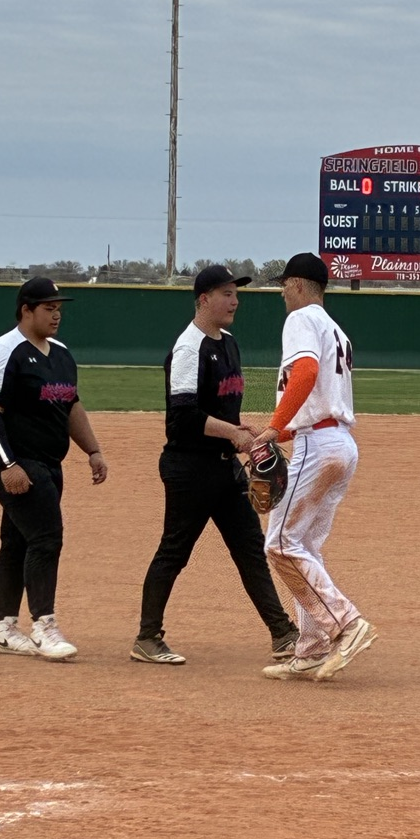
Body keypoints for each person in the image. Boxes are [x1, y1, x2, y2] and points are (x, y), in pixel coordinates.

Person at [131, 264, 298, 665]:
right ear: (203, 299)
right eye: (226, 293)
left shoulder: (228, 343)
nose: (235, 300)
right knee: (175, 550)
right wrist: (233, 434)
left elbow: (217, 406)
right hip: (189, 468)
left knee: (249, 549)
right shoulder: (189, 348)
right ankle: (147, 637)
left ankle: (283, 633)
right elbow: (183, 415)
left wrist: (240, 428)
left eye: (235, 293)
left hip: (223, 468)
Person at [252, 252, 377, 682]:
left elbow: (305, 372)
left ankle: (345, 624)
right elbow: (322, 403)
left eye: (284, 284)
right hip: (339, 442)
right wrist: (279, 433)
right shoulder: (335, 329)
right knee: (306, 546)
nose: (282, 292)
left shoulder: (301, 319)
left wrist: (274, 426)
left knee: (280, 544)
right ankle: (310, 648)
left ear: (301, 286)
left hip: (319, 445)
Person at [0, 277, 108, 661]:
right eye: (48, 308)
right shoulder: (3, 352)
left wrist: (93, 450)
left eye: (59, 309)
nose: (56, 315)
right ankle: (44, 626)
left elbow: (70, 407)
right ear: (26, 310)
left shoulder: (62, 354)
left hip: (50, 464)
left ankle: (2, 628)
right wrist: (8, 464)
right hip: (16, 463)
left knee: (18, 541)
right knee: (47, 538)